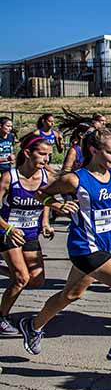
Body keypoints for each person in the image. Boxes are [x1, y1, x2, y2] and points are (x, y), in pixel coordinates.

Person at [19, 128, 111, 363]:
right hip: (85, 248)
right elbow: (40, 194)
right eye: (110, 152)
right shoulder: (76, 179)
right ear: (94, 150)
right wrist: (56, 207)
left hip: (105, 246)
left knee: (71, 294)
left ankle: (33, 325)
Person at [0, 135, 54, 335]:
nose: (46, 159)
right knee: (21, 279)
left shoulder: (46, 177)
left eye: (49, 155)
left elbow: (47, 199)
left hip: (31, 233)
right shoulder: (10, 177)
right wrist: (8, 229)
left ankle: (6, 270)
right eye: (42, 154)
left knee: (36, 280)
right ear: (27, 153)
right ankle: (2, 316)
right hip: (8, 232)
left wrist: (46, 222)